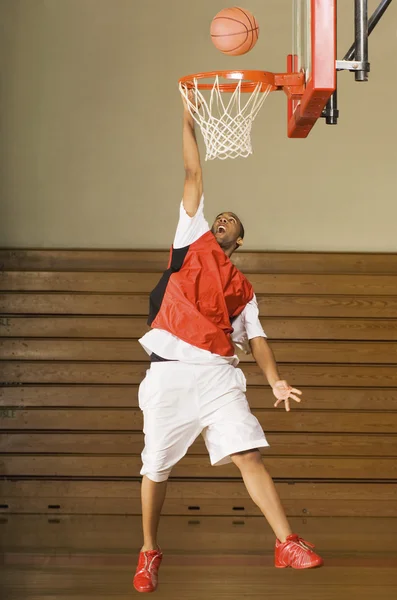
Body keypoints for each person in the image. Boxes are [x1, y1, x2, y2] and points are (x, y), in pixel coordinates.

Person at [133, 93, 323, 593]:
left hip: (219, 374)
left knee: (249, 455)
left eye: (231, 221)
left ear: (239, 241)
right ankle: (149, 550)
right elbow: (194, 175)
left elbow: (256, 340)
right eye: (219, 216)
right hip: (169, 371)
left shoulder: (242, 288)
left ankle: (287, 542)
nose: (222, 219)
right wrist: (187, 118)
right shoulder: (190, 238)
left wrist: (276, 380)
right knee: (155, 468)